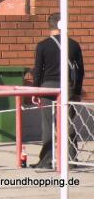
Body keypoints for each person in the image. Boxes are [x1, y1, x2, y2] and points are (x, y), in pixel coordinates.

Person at [31, 13, 84, 169]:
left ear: (50, 25)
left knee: (48, 124)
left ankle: (47, 160)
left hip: (48, 87)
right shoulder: (74, 45)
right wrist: (78, 91)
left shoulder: (42, 45)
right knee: (68, 122)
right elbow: (80, 71)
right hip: (67, 87)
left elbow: (37, 71)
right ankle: (70, 160)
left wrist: (35, 91)